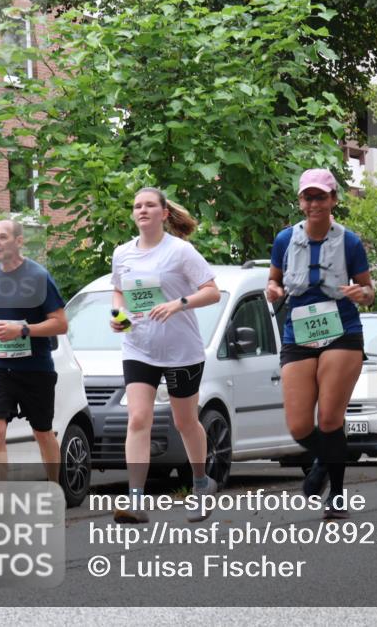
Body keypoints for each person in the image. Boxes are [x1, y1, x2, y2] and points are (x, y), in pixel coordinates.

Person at [265, 169, 374, 520]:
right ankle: (326, 461)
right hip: (299, 331)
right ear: (300, 201)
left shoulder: (350, 242)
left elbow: (370, 292)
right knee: (298, 425)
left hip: (341, 328)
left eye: (321, 197)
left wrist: (362, 293)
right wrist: (273, 291)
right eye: (307, 197)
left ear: (333, 200)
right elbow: (274, 281)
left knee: (329, 419)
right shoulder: (284, 239)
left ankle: (337, 494)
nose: (314, 203)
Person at [110, 188, 221, 524]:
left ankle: (201, 484)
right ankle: (135, 499)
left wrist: (179, 304)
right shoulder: (122, 253)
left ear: (163, 213)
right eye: (137, 206)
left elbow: (212, 292)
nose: (142, 210)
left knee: (184, 422)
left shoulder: (181, 252)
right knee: (138, 418)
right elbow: (118, 291)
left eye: (149, 205)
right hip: (139, 347)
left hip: (181, 351)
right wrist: (118, 315)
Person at [0, 219, 68, 483]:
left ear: (19, 241)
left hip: (35, 368)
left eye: (2, 237)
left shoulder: (37, 276)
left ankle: (54, 488)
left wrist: (22, 330)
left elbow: (60, 323)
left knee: (43, 432)